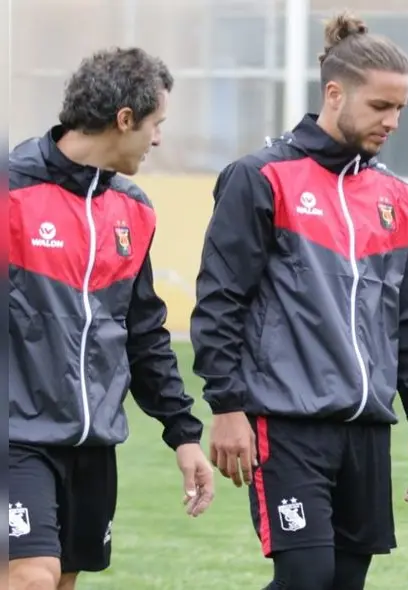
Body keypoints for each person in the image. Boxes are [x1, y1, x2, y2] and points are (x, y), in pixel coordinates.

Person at [189, 11, 408, 590]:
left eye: (401, 107)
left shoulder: (395, 198)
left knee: (344, 583)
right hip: (286, 423)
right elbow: (220, 300)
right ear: (335, 93)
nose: (394, 122)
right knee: (306, 577)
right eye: (381, 107)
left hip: (366, 428)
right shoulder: (261, 177)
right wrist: (227, 407)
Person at [8, 48, 214, 590]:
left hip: (93, 442)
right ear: (125, 119)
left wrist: (184, 434)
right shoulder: (11, 193)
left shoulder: (135, 210)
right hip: (15, 436)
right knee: (31, 576)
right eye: (155, 124)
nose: (158, 140)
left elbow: (144, 333)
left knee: (61, 579)